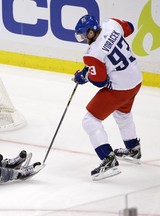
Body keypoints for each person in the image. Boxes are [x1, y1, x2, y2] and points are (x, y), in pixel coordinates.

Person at [73, 15, 142, 180]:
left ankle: (107, 159)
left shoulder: (92, 54)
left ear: (91, 33)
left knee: (90, 121)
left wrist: (84, 76)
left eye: (83, 35)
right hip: (136, 79)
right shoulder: (112, 24)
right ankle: (133, 148)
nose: (83, 39)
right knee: (122, 113)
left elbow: (100, 81)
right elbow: (130, 27)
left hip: (121, 88)